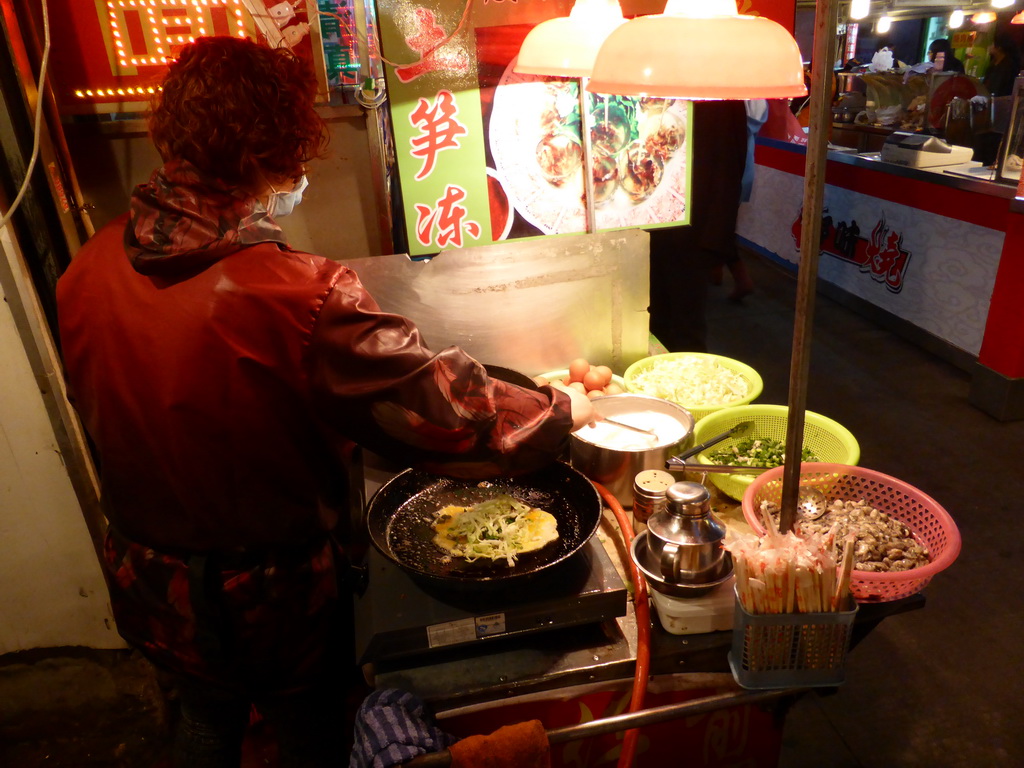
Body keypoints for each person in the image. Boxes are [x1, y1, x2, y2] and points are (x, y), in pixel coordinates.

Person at [55, 36, 596, 768]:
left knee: (205, 722)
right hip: (267, 603)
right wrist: (558, 408)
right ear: (266, 157)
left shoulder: (86, 265)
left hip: (150, 581)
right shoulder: (298, 294)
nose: (299, 175)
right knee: (309, 735)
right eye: (296, 159)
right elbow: (446, 413)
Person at [648, 100, 748, 351]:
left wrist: (716, 240)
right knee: (650, 319)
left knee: (684, 325)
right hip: (646, 219)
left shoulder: (719, 91)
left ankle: (685, 386)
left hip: (693, 224)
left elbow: (729, 160)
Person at [983, 30, 1022, 98]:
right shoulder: (993, 65)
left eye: (992, 44)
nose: (989, 46)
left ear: (999, 47)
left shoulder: (1009, 67)